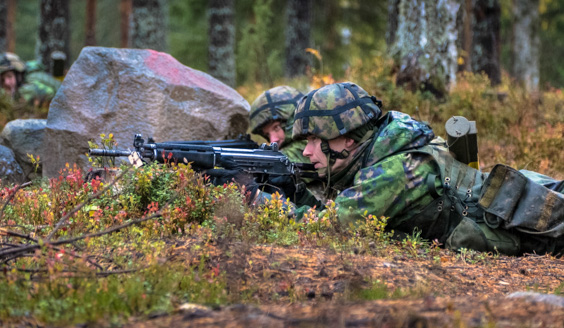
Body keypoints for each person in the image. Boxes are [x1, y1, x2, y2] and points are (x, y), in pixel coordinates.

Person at [266, 81, 563, 256]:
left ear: (348, 137)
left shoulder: (394, 171)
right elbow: (338, 209)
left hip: (536, 222)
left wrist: (263, 204)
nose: (306, 151)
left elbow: (330, 227)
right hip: (524, 201)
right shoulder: (392, 145)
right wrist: (296, 192)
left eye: (316, 139)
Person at [249, 85, 309, 163]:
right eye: (267, 134)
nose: (273, 140)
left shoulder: (307, 145)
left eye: (276, 128)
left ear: (292, 120)